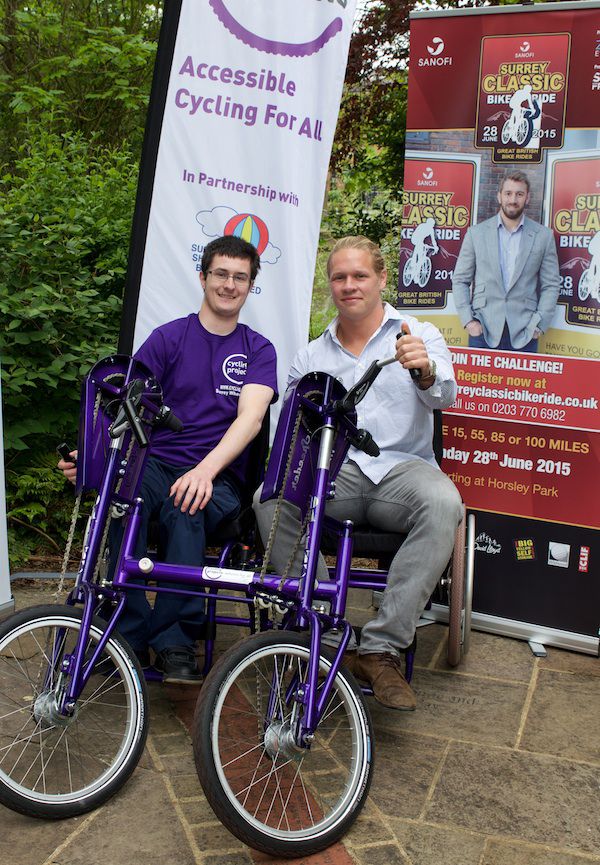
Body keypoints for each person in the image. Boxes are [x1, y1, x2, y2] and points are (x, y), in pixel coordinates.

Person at [253, 236, 462, 711]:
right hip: (338, 475)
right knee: (270, 497)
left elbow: (444, 395)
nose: (349, 286)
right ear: (330, 286)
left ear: (382, 279)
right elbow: (293, 431)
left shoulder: (417, 332)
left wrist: (424, 371)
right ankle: (322, 630)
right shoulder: (312, 355)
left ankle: (381, 648)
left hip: (402, 473)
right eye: (340, 277)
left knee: (445, 503)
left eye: (360, 275)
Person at [59, 235, 277, 682]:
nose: (229, 285)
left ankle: (176, 639)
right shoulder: (167, 339)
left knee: (187, 505)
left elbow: (251, 420)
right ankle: (127, 635)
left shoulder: (259, 350)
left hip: (220, 476)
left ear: (250, 285)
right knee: (125, 494)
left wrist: (205, 470)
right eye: (221, 274)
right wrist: (93, 460)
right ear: (203, 277)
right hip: (154, 462)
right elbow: (124, 410)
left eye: (240, 277)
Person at [452, 170, 560, 351]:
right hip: (483, 330)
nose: (513, 200)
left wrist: (539, 325)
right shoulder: (476, 234)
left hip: (525, 333)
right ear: (499, 196)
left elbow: (551, 284)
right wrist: (468, 321)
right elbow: (460, 279)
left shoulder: (543, 236)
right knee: (480, 380)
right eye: (508, 193)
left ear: (527, 198)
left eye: (519, 194)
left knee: (524, 381)